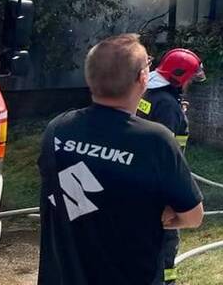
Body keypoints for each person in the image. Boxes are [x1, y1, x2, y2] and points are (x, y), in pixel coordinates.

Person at [38, 34, 204, 285]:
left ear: (89, 76)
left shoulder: (58, 128)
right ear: (142, 79)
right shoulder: (156, 141)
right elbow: (193, 217)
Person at [136, 48, 206, 285]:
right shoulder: (167, 105)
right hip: (162, 185)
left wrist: (177, 110)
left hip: (141, 180)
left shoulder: (149, 93)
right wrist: (171, 199)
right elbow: (166, 153)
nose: (190, 84)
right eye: (188, 79)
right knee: (166, 243)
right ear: (179, 76)